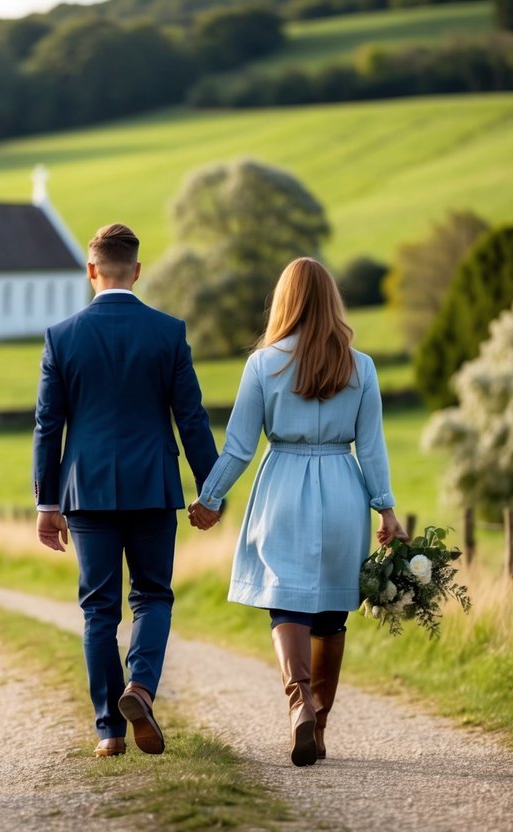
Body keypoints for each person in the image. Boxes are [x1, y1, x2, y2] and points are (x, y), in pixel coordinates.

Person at [188, 257, 406, 767]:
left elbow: (240, 446)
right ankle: (321, 722)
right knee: (331, 613)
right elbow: (371, 448)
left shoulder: (264, 364)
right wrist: (386, 510)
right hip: (342, 488)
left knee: (286, 603)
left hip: (283, 484)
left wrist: (210, 498)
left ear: (284, 301)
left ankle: (299, 704)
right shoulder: (361, 366)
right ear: (332, 301)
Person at [33, 223, 219, 758]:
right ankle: (140, 687)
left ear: (91, 270)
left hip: (86, 490)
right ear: (137, 270)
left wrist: (47, 503)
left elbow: (48, 424)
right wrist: (210, 489)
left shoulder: (61, 336)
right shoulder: (168, 332)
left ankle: (108, 732)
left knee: (99, 611)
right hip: (153, 485)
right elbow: (191, 416)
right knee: (153, 596)